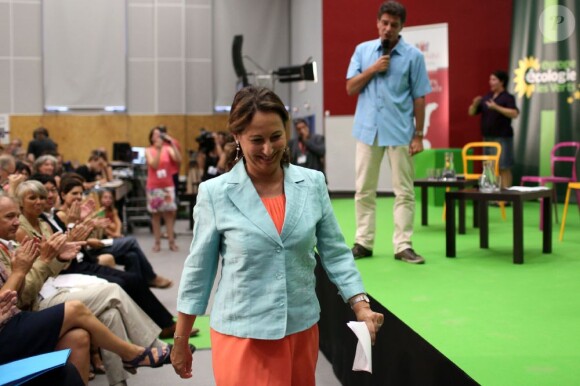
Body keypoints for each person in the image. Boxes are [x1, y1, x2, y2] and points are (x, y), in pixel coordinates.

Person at [171, 86, 384, 385]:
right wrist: (181, 339)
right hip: (242, 336)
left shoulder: (312, 184)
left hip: (301, 330)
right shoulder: (215, 193)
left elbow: (335, 252)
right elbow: (199, 272)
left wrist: (360, 304)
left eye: (276, 137)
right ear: (237, 137)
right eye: (256, 140)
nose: (269, 150)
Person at [0, 193, 171, 385]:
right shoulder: (23, 233)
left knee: (101, 320)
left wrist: (57, 258)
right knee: (111, 290)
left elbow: (33, 277)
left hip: (45, 291)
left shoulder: (36, 228)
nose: (41, 201)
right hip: (29, 308)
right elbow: (21, 296)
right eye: (9, 217)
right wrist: (42, 262)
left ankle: (119, 380)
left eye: (45, 196)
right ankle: (141, 350)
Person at [346, 1, 431, 264]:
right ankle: (363, 242)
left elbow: (419, 98)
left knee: (404, 191)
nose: (388, 29)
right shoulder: (363, 51)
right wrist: (372, 69)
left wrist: (418, 134)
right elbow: (350, 87)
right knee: (363, 190)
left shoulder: (414, 57)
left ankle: (403, 245)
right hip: (367, 131)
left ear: (401, 27)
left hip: (400, 132)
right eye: (384, 23)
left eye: (394, 25)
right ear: (378, 23)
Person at [468, 70, 519, 189]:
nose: (490, 82)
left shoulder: (507, 97)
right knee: (489, 166)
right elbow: (471, 113)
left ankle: (506, 195)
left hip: (502, 138)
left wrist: (496, 107)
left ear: (502, 82)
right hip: (488, 138)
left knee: (503, 166)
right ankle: (494, 193)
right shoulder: (487, 97)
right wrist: (475, 104)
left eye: (494, 79)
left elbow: (514, 113)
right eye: (490, 79)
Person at [145, 127, 181, 252]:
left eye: (159, 134)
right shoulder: (148, 150)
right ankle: (157, 243)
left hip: (167, 185)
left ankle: (171, 242)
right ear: (151, 138)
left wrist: (172, 143)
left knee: (169, 214)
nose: (158, 136)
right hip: (154, 186)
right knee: (156, 215)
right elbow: (154, 165)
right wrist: (159, 150)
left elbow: (178, 159)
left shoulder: (168, 148)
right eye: (155, 134)